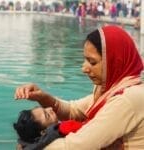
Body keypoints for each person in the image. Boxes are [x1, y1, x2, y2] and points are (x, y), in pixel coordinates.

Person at [14, 25, 144, 150]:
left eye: (92, 62)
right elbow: (73, 111)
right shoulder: (109, 91)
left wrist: (29, 147)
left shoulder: (126, 99)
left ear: (116, 62)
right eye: (85, 60)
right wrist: (42, 97)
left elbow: (78, 146)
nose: (84, 68)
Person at [14, 107, 83, 150]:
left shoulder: (26, 144)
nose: (50, 108)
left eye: (44, 108)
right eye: (47, 115)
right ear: (43, 132)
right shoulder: (65, 127)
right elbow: (89, 127)